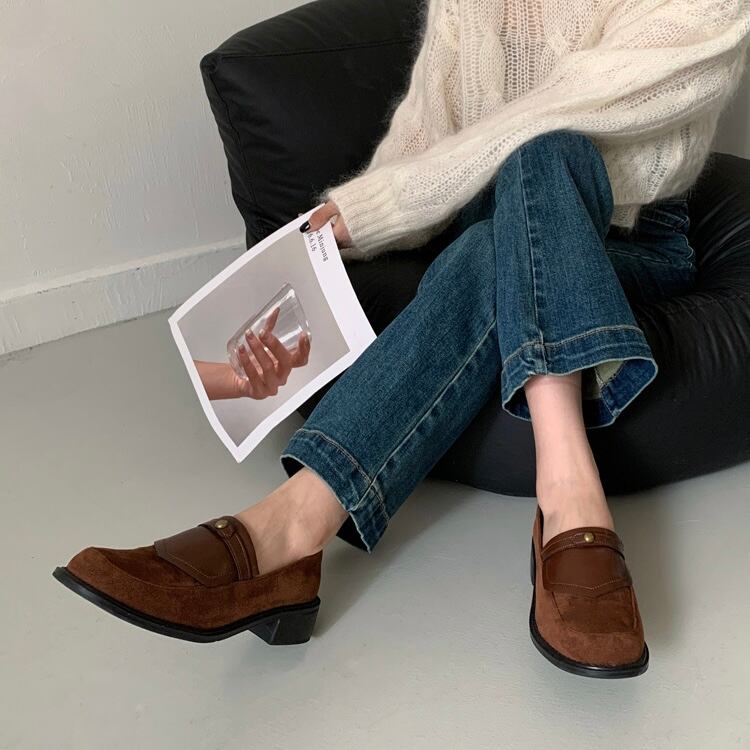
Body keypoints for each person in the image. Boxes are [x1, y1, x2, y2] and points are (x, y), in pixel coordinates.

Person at [53, 0, 750, 678]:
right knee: (495, 234)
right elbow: (424, 138)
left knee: (547, 153)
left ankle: (310, 528)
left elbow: (573, 105)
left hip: (631, 240)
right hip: (486, 220)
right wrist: (341, 229)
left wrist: (384, 206)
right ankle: (560, 514)